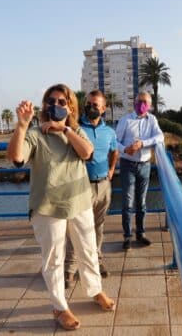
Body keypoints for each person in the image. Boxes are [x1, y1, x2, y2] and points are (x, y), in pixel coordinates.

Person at [7, 84, 115, 331]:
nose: (55, 106)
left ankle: (95, 290)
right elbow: (16, 158)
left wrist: (65, 128)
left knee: (88, 251)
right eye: (50, 101)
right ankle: (59, 307)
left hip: (80, 203)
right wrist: (22, 125)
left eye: (61, 102)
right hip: (48, 208)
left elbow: (87, 152)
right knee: (54, 259)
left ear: (71, 107)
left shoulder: (75, 130)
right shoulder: (35, 134)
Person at [65, 89, 118, 287]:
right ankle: (69, 269)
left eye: (95, 105)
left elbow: (114, 151)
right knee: (75, 228)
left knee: (98, 226)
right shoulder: (77, 128)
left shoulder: (110, 132)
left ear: (103, 109)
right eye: (88, 103)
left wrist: (112, 169)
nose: (90, 107)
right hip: (81, 186)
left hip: (104, 185)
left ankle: (96, 261)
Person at [115, 91, 164, 250]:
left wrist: (143, 143)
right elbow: (115, 141)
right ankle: (127, 236)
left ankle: (140, 233)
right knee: (128, 203)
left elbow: (160, 137)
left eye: (145, 102)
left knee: (141, 202)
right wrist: (124, 149)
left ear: (149, 105)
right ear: (134, 102)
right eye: (139, 101)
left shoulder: (152, 119)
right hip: (128, 164)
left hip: (145, 165)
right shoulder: (125, 120)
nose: (142, 104)